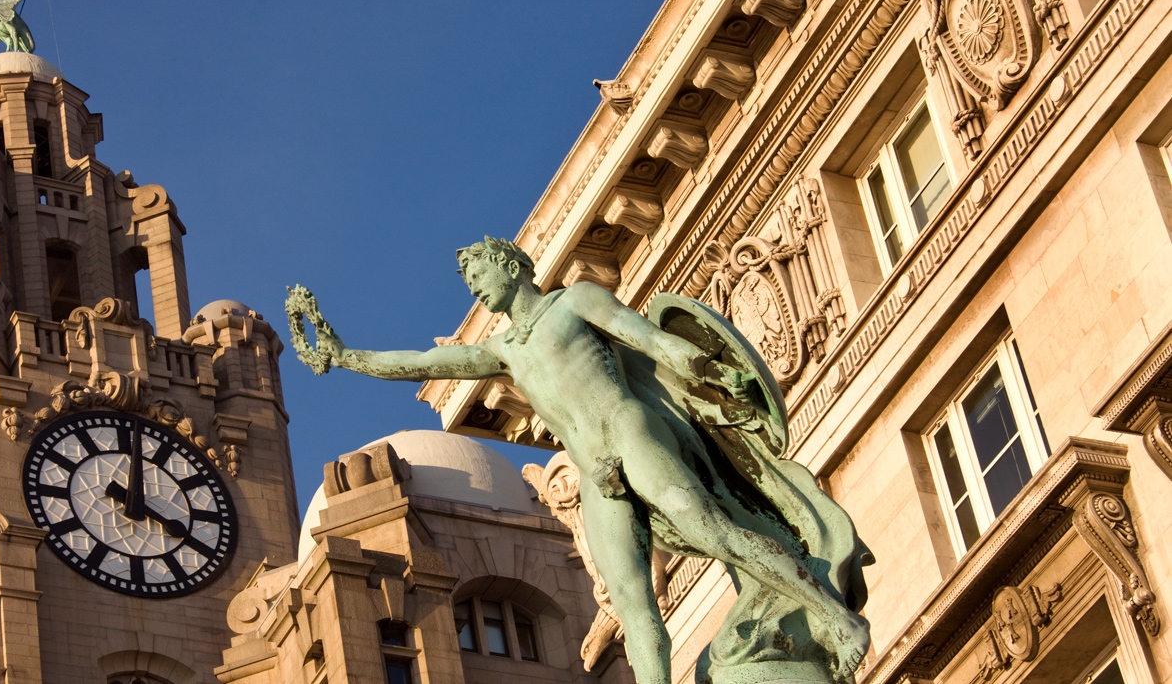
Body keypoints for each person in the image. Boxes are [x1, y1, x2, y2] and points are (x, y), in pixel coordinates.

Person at [313, 237, 869, 684]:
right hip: (597, 473)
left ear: (511, 265)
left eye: (480, 274)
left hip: (629, 432)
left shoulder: (574, 301)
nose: (475, 288)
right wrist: (347, 356)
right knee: (632, 605)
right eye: (469, 282)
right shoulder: (504, 352)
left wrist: (701, 366)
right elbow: (423, 362)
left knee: (717, 534)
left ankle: (837, 620)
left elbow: (648, 340)